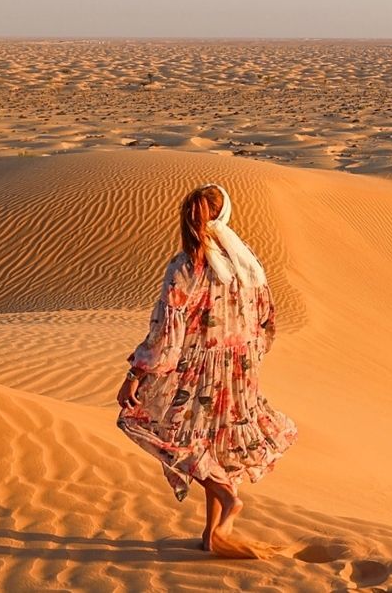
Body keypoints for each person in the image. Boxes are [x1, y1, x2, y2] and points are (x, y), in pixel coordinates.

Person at [115, 183, 297, 556]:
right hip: (240, 370)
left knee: (151, 425)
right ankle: (211, 535)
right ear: (225, 214)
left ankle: (225, 495)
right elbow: (268, 321)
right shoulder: (249, 264)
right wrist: (248, 359)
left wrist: (136, 373)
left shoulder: (186, 267)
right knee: (219, 446)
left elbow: (167, 333)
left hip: (195, 371)